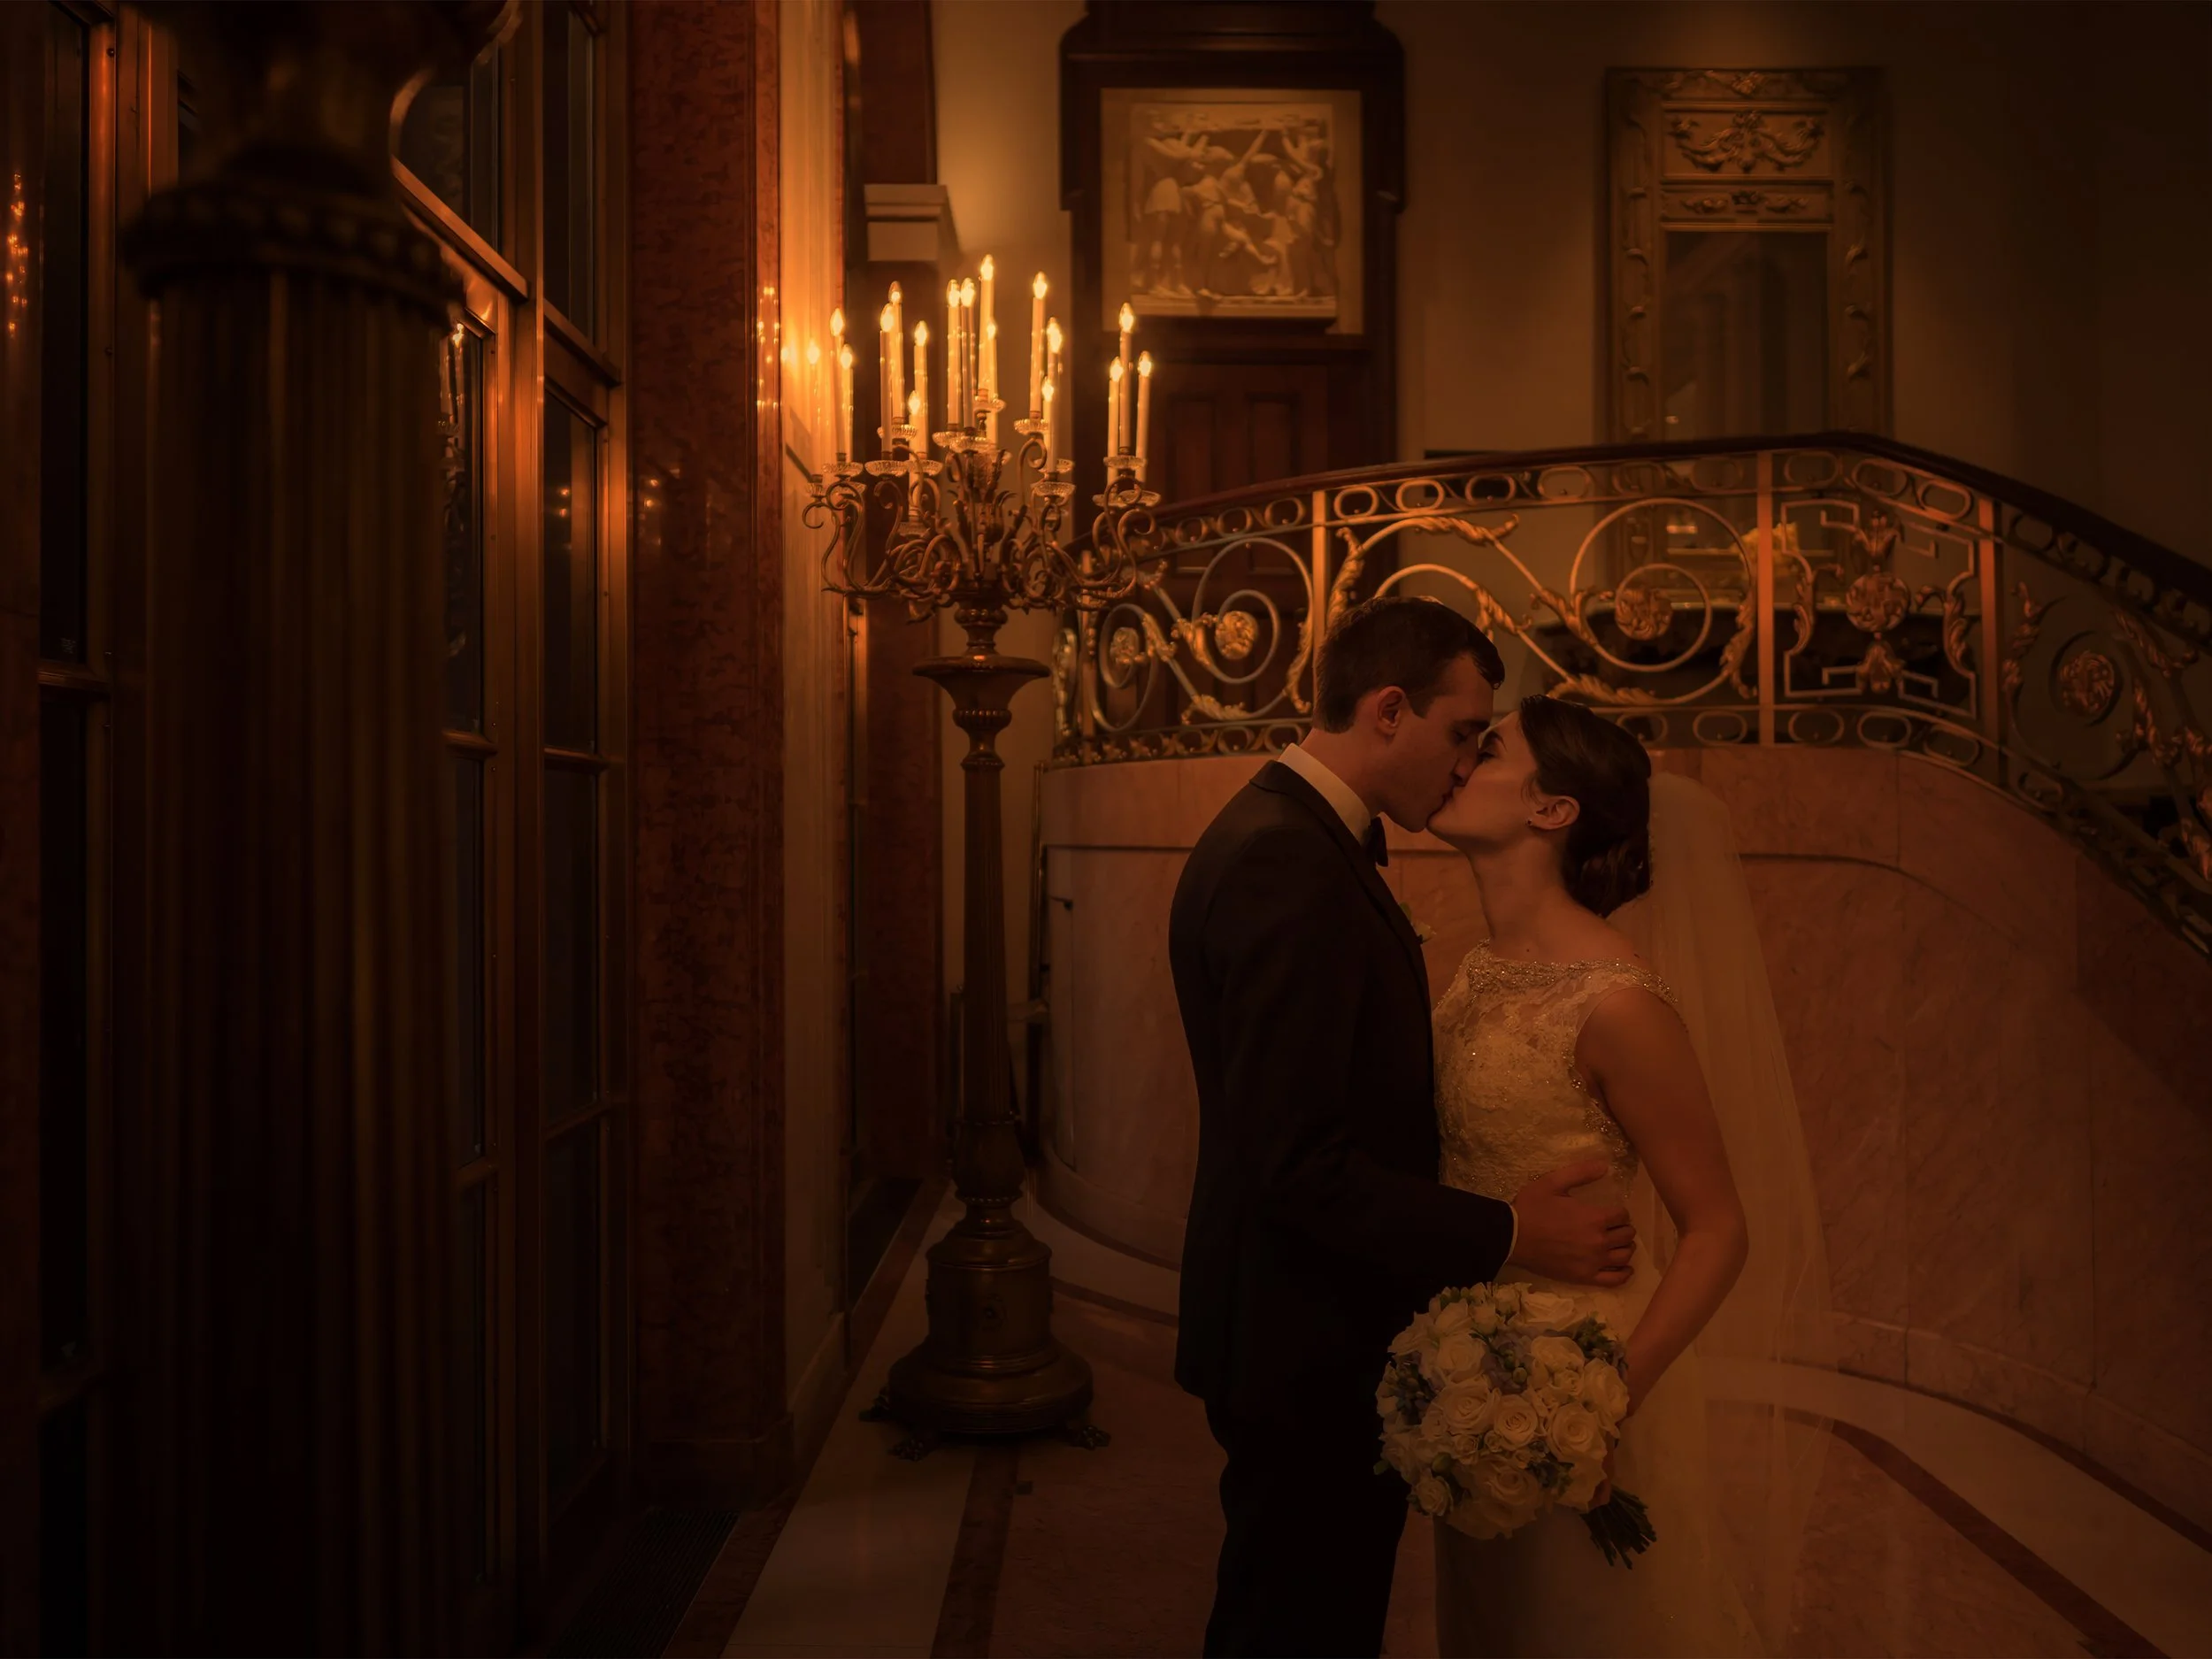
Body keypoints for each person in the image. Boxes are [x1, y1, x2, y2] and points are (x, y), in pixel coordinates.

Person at [1170, 597, 1641, 1659]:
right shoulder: (1284, 860)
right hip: (1303, 1337)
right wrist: (1509, 1232)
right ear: (1390, 709)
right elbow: (1298, 1163)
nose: (1467, 761)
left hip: (1307, 1322)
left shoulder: (1297, 838)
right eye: (1462, 731)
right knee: (1294, 1627)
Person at [1421, 696, 1832, 1655]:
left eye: (1486, 751)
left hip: (1579, 1372)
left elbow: (1720, 1228)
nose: (1456, 765)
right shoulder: (1481, 967)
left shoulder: (1615, 1004)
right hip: (1466, 1361)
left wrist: (1603, 1400)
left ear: (1551, 810)